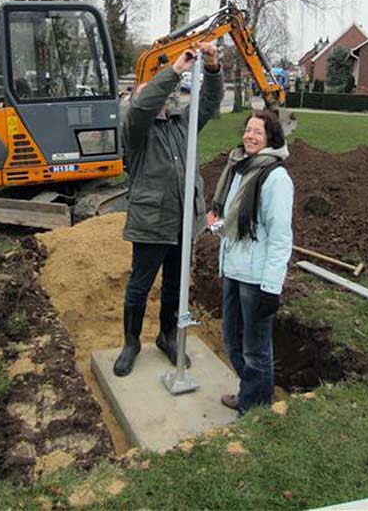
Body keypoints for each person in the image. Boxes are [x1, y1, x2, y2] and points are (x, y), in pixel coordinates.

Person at [114, 42, 224, 377]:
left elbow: (208, 102)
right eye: (150, 93)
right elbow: (143, 104)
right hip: (151, 222)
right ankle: (131, 343)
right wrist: (174, 70)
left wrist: (213, 67)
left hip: (182, 223)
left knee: (176, 285)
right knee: (140, 286)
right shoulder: (135, 130)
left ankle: (166, 336)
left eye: (160, 93)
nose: (157, 99)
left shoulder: (180, 125)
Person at [210, 108, 293, 416]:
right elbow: (234, 219)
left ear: (271, 138)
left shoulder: (275, 178)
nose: (250, 135)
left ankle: (255, 410)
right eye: (248, 129)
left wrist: (272, 287)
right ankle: (250, 392)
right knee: (231, 340)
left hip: (256, 278)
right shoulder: (240, 168)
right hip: (233, 269)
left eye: (258, 131)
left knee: (256, 349)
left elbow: (280, 236)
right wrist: (216, 226)